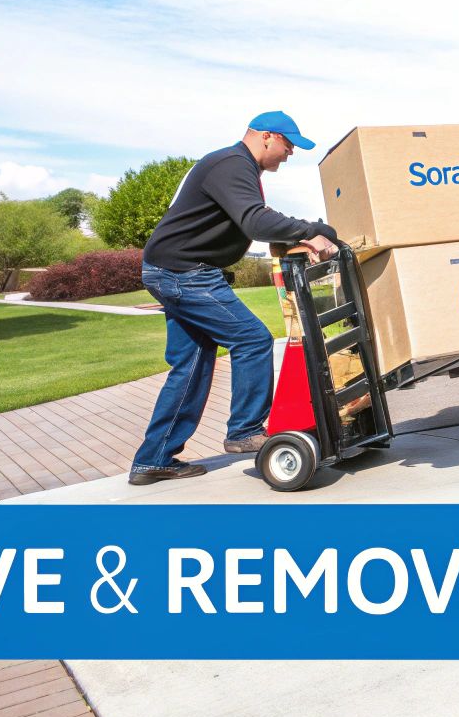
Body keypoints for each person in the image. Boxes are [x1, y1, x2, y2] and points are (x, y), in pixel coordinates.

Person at [129, 111, 339, 485]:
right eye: (289, 145)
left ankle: (153, 460)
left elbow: (259, 218)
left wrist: (302, 233)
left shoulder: (236, 166)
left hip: (173, 270)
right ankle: (244, 431)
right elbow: (256, 221)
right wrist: (314, 230)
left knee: (191, 365)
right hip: (184, 272)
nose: (290, 153)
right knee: (253, 339)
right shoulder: (231, 163)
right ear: (267, 137)